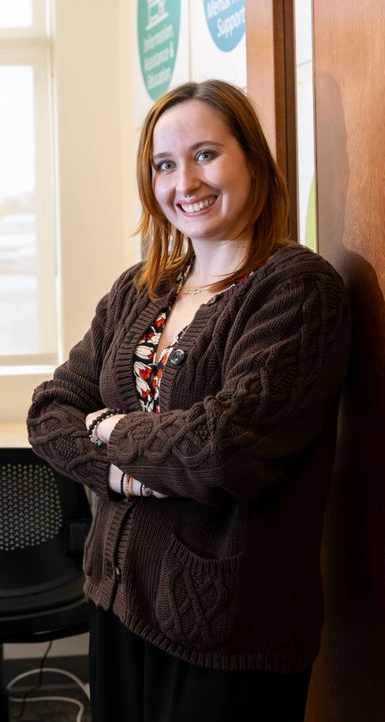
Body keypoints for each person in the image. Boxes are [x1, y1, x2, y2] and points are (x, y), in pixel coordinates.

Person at [26, 80, 351, 721]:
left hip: (227, 629)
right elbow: (47, 413)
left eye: (206, 154)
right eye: (165, 165)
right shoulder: (141, 289)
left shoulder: (297, 291)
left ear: (253, 160)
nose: (186, 182)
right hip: (116, 600)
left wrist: (105, 429)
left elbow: (219, 453)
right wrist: (136, 474)